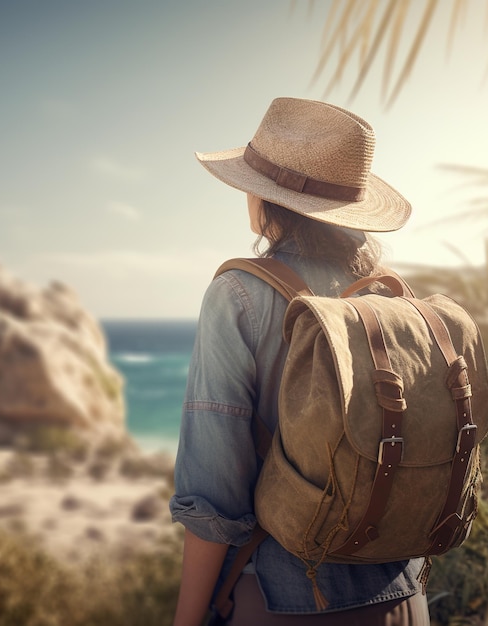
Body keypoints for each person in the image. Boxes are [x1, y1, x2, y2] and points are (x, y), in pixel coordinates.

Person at [169, 98, 431, 626]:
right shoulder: (393, 304)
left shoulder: (238, 294)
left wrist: (186, 617)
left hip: (281, 600)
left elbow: (214, 497)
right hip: (403, 597)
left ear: (268, 200)